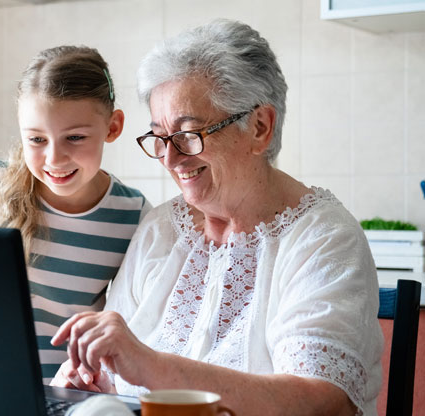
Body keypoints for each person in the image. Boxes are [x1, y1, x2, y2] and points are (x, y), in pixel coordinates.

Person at [49, 20, 383, 416]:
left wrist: (152, 367)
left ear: (260, 127)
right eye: (160, 136)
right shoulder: (160, 230)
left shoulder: (323, 239)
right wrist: (89, 380)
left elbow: (320, 401)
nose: (170, 159)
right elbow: (119, 369)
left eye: (190, 134)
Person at [0, 46, 152, 382]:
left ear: (113, 128)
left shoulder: (133, 215)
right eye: (37, 139)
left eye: (75, 137)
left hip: (69, 394)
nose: (55, 158)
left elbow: (132, 326)